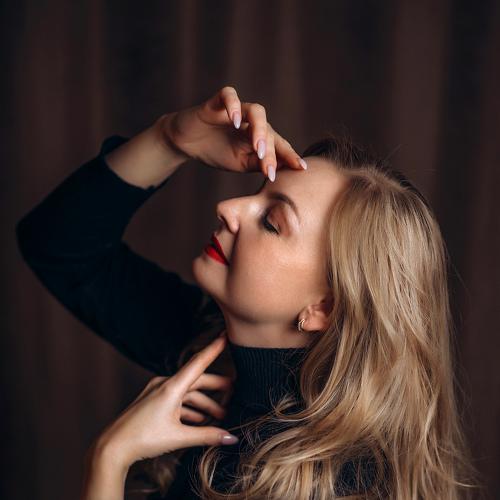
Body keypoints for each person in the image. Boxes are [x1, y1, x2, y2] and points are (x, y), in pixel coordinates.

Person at [16, 86, 476, 499]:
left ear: (324, 307)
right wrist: (169, 141)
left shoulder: (337, 486)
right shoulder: (211, 353)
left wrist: (109, 458)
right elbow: (57, 246)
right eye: (257, 192)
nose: (228, 208)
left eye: (272, 222)